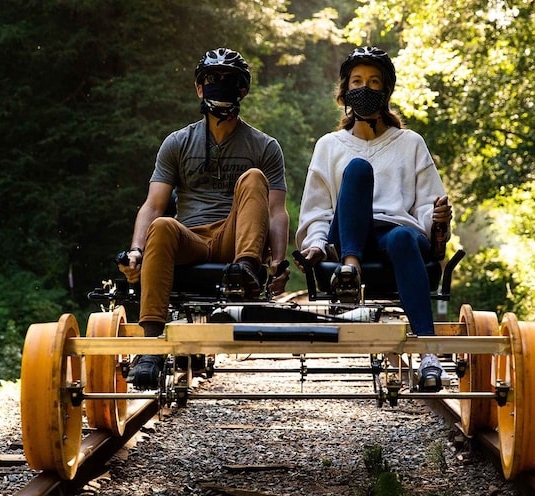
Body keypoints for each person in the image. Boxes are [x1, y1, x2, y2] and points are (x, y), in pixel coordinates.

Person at [119, 47, 290, 389]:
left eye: (229, 81)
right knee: (163, 224)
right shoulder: (177, 143)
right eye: (212, 80)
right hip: (190, 238)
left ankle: (245, 270)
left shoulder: (265, 146)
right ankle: (152, 346)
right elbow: (153, 205)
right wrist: (136, 250)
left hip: (236, 241)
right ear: (200, 88)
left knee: (254, 177)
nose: (219, 86)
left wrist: (279, 263)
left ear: (242, 90)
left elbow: (276, 210)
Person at [294, 46, 453, 392]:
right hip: (349, 235)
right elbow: (318, 210)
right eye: (357, 81)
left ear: (386, 91)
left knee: (402, 237)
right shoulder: (329, 145)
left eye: (374, 82)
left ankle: (428, 354)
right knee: (358, 169)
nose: (365, 88)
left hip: (396, 235)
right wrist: (317, 245)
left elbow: (426, 205)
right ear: (345, 92)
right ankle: (350, 268)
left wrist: (437, 218)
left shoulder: (410, 143)